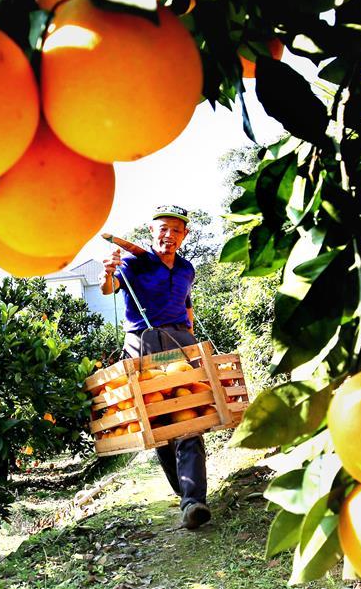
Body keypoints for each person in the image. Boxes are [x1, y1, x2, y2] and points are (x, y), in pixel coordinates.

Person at [100, 204, 211, 530]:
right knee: (160, 422)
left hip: (180, 341)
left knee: (190, 413)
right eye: (163, 229)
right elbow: (111, 288)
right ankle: (185, 493)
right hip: (142, 342)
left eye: (177, 230)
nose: (169, 235)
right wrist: (107, 273)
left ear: (184, 235)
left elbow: (186, 305)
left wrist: (190, 339)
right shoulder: (134, 263)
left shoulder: (187, 269)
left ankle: (194, 501)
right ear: (152, 231)